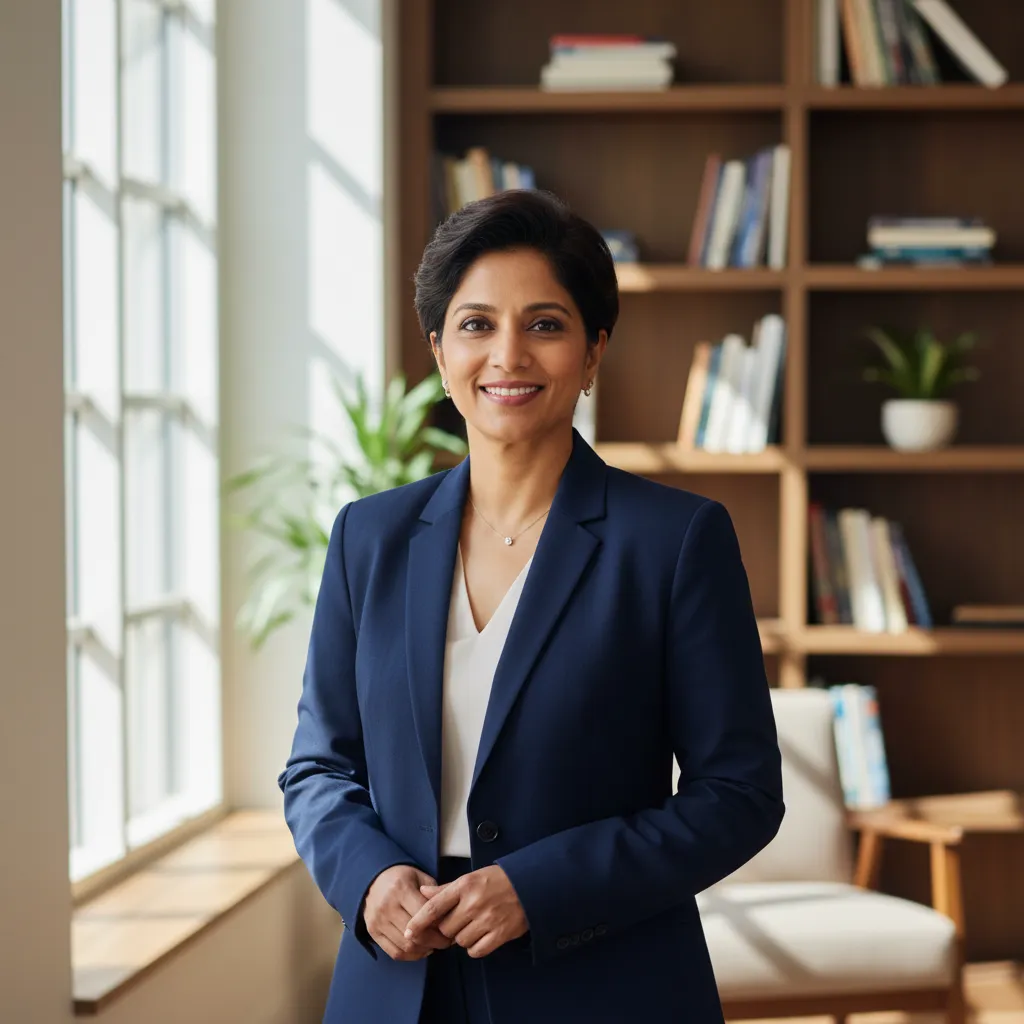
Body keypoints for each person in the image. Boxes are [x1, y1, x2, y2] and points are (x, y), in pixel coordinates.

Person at [278, 189, 785, 1024]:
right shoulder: (368, 537)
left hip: (602, 978)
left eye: (545, 325)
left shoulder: (676, 539)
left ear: (593, 353)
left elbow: (739, 793)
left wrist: (539, 889)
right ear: (440, 354)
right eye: (477, 326)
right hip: (398, 987)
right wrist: (367, 879)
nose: (507, 354)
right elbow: (318, 766)